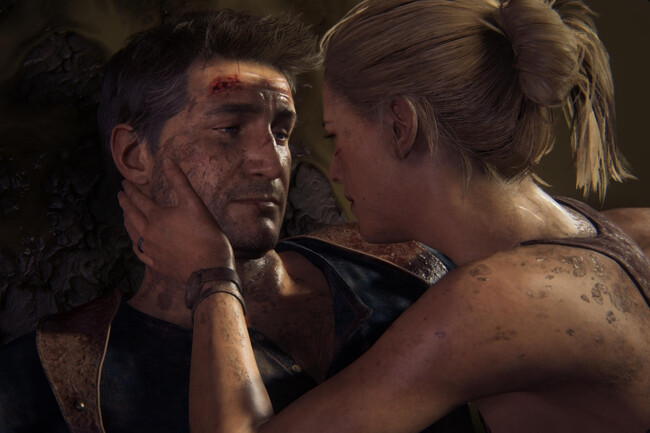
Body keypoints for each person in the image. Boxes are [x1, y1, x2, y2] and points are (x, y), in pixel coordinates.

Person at [119, 0, 650, 432]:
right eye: (231, 130)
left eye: (336, 136)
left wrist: (212, 275)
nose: (331, 168)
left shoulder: (491, 302)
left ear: (400, 126)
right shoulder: (627, 231)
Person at [0, 10, 472, 433]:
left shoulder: (406, 267)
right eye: (229, 129)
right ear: (133, 154)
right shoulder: (58, 377)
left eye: (281, 133)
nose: (271, 163)